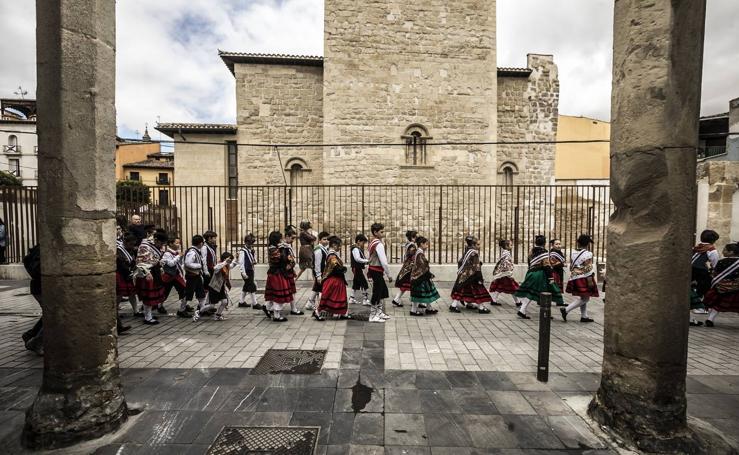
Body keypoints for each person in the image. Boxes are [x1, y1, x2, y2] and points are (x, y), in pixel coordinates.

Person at [514, 235, 563, 319]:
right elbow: (546, 266)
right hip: (540, 275)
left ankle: (522, 310)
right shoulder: (544, 252)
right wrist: (551, 277)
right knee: (546, 292)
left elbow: (529, 262)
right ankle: (545, 313)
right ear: (544, 243)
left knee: (531, 292)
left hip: (531, 272)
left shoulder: (532, 251)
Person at [561, 234, 599, 323]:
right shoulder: (588, 254)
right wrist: (590, 279)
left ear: (578, 242)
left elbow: (571, 266)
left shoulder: (573, 253)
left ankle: (584, 316)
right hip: (584, 277)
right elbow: (588, 267)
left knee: (583, 296)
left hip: (574, 276)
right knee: (586, 298)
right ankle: (566, 310)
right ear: (588, 244)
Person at [450, 235, 493, 313]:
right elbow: (476, 267)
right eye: (478, 244)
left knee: (463, 289)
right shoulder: (474, 253)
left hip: (465, 275)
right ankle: (481, 308)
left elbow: (461, 261)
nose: (479, 246)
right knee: (478, 290)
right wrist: (480, 277)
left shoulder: (467, 251)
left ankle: (458, 304)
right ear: (473, 244)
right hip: (472, 275)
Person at [134, 231, 168, 325]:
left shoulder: (156, 245)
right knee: (148, 295)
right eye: (161, 243)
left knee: (153, 295)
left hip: (154, 271)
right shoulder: (144, 246)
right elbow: (141, 262)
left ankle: (148, 314)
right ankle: (147, 317)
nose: (161, 246)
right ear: (156, 240)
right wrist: (147, 273)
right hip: (147, 272)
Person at [702, 242, 739, 327]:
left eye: (725, 250)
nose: (723, 251)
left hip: (721, 288)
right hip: (736, 289)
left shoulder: (721, 261)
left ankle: (710, 319)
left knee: (717, 305)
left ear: (731, 252)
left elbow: (715, 273)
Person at [314, 236, 350, 320]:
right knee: (328, 297)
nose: (340, 247)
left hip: (335, 280)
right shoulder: (332, 255)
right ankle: (317, 311)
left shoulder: (331, 254)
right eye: (339, 245)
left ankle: (342, 313)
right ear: (334, 245)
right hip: (334, 280)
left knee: (335, 297)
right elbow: (336, 267)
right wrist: (343, 269)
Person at [194, 252, 234, 322]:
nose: (230, 262)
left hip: (220, 288)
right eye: (230, 260)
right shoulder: (220, 265)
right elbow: (215, 268)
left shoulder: (227, 266)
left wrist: (236, 259)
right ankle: (198, 312)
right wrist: (225, 262)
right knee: (211, 306)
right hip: (214, 287)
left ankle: (218, 315)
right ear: (225, 259)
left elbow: (233, 265)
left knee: (224, 302)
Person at [691, 229, 720, 324]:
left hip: (690, 270)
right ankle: (700, 306)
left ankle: (697, 306)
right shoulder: (711, 249)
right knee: (707, 286)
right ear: (714, 240)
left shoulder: (696, 247)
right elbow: (715, 264)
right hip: (700, 272)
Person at [264, 230, 294, 322]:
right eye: (280, 238)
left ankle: (267, 308)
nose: (282, 240)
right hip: (276, 274)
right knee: (278, 294)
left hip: (277, 273)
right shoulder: (273, 249)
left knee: (275, 294)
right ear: (277, 239)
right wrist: (283, 249)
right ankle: (277, 315)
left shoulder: (275, 247)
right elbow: (279, 259)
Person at [367, 222, 393, 323]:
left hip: (374, 269)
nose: (383, 233)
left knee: (382, 291)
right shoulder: (379, 244)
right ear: (375, 232)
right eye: (381, 232)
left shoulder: (372, 242)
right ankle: (373, 315)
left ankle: (379, 312)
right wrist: (389, 274)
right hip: (376, 270)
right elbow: (384, 261)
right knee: (377, 292)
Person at [21, 244, 43, 355]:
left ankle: (30, 335)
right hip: (42, 287)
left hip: (37, 287)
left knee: (49, 314)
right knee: (54, 316)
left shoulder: (38, 248)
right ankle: (37, 341)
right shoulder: (47, 249)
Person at [409, 236, 440, 316]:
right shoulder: (419, 253)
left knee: (426, 291)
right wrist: (429, 274)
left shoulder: (419, 252)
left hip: (421, 276)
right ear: (421, 244)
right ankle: (413, 310)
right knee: (418, 293)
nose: (427, 246)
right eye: (426, 244)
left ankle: (429, 308)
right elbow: (422, 266)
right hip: (419, 276)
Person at [161, 236, 190, 318]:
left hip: (177, 276)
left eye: (179, 243)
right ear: (170, 244)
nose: (178, 244)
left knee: (184, 291)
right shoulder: (167, 253)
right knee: (164, 293)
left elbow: (180, 264)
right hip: (169, 276)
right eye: (176, 243)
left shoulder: (178, 252)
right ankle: (159, 306)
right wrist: (178, 256)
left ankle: (182, 309)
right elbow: (170, 263)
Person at [116, 234, 140, 328]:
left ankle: (136, 310)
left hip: (128, 272)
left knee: (132, 293)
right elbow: (120, 263)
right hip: (121, 273)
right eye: (130, 244)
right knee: (119, 293)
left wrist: (133, 269)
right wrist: (129, 272)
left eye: (133, 244)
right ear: (125, 242)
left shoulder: (131, 250)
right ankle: (115, 311)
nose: (132, 246)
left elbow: (133, 260)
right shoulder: (119, 250)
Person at [488, 239, 520, 307]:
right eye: (511, 245)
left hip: (503, 274)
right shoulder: (506, 254)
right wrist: (509, 271)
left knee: (500, 287)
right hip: (506, 274)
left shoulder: (505, 253)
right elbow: (506, 263)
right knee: (513, 288)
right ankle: (517, 302)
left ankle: (493, 300)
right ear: (506, 246)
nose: (512, 246)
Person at [392, 230, 418, 307]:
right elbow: (412, 255)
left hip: (407, 267)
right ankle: (398, 299)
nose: (416, 238)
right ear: (411, 237)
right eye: (414, 236)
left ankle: (400, 299)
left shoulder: (408, 244)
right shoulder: (412, 246)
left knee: (407, 285)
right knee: (410, 284)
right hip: (410, 267)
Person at [306, 231, 330, 311]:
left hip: (322, 272)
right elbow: (317, 264)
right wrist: (318, 275)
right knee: (319, 288)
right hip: (320, 272)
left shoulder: (323, 248)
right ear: (319, 240)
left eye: (327, 239)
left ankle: (310, 303)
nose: (326, 241)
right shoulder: (318, 250)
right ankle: (319, 304)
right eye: (324, 239)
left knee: (317, 288)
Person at [184, 235, 208, 313]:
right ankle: (181, 310)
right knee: (188, 294)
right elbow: (187, 263)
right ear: (200, 243)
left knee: (201, 294)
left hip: (196, 276)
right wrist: (199, 265)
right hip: (192, 276)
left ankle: (202, 309)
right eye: (203, 243)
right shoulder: (192, 252)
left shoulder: (196, 251)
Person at [283, 225, 303, 315]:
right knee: (285, 291)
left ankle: (293, 308)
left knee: (291, 290)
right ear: (287, 236)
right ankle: (269, 307)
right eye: (292, 238)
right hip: (285, 272)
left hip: (288, 271)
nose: (293, 240)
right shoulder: (284, 247)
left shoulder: (286, 246)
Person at [237, 233, 259, 309]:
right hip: (246, 271)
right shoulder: (242, 251)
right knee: (252, 286)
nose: (251, 245)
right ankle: (255, 303)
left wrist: (254, 260)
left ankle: (241, 302)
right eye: (250, 243)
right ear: (246, 242)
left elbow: (254, 259)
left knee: (246, 286)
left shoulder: (251, 250)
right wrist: (243, 273)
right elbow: (241, 263)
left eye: (252, 243)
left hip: (251, 270)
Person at [349, 233, 370, 305]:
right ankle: (365, 299)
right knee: (364, 283)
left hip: (357, 268)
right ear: (358, 241)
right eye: (363, 242)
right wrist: (367, 261)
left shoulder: (356, 248)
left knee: (356, 283)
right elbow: (357, 259)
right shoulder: (355, 248)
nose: (363, 244)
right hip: (357, 268)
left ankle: (351, 298)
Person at [201, 230, 218, 313]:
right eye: (214, 238)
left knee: (210, 289)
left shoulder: (211, 246)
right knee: (206, 289)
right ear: (209, 238)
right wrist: (206, 271)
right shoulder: (204, 247)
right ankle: (203, 307)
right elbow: (203, 260)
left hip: (212, 269)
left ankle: (208, 305)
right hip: (208, 271)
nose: (215, 239)